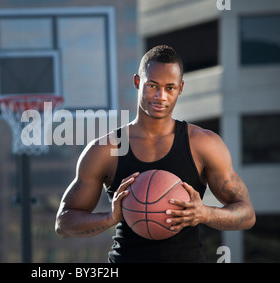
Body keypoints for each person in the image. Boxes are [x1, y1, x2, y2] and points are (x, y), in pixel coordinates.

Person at [54, 45, 256, 262]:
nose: (161, 96)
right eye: (152, 85)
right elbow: (63, 224)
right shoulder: (107, 149)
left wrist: (205, 213)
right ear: (137, 82)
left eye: (170, 88)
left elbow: (247, 215)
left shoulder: (203, 144)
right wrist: (110, 217)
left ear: (180, 88)